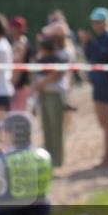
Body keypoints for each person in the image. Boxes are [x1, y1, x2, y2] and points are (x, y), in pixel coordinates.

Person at [79, 7, 108, 168]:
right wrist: (87, 43)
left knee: (105, 122)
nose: (95, 25)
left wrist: (89, 43)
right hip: (97, 83)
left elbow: (103, 56)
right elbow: (91, 56)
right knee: (102, 122)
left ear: (105, 23)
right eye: (94, 22)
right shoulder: (100, 39)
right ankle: (107, 155)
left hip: (104, 84)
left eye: (98, 22)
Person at [32, 37, 67, 168]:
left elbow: (56, 75)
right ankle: (49, 158)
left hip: (54, 95)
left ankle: (58, 159)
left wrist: (41, 83)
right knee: (47, 128)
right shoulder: (41, 61)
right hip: (44, 95)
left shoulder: (58, 59)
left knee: (56, 129)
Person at [8, 16, 33, 111]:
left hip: (19, 86)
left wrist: (12, 86)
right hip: (22, 85)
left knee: (18, 116)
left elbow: (17, 68)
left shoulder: (20, 44)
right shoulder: (20, 42)